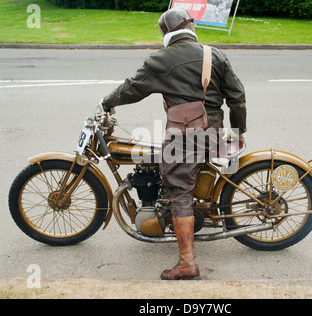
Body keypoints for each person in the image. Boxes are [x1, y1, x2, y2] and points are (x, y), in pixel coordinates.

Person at [101, 8, 247, 280]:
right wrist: (239, 132)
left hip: (184, 134)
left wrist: (108, 102)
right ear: (190, 27)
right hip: (212, 131)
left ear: (166, 33)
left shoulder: (160, 59)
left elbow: (132, 88)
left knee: (179, 187)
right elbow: (237, 97)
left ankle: (187, 263)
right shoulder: (213, 54)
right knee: (173, 171)